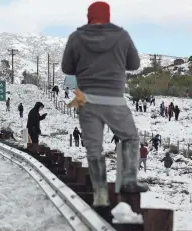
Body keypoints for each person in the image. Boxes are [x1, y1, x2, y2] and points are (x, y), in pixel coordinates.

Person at [61, 1, 148, 208]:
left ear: (89, 16)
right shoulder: (122, 36)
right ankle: (128, 181)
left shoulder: (76, 37)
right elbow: (134, 64)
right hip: (115, 101)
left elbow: (66, 68)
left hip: (87, 101)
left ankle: (100, 192)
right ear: (108, 15)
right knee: (130, 138)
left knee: (94, 148)